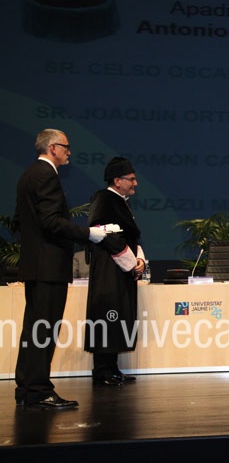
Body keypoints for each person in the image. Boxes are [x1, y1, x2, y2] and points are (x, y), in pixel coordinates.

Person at [13, 128, 109, 409]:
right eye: (66, 147)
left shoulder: (28, 174)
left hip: (37, 264)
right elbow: (51, 221)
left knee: (34, 329)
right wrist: (90, 234)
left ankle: (26, 388)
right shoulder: (46, 175)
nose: (69, 152)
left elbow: (21, 220)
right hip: (49, 266)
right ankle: (38, 391)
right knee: (43, 330)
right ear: (53, 147)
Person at [84, 157, 147, 387]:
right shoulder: (104, 199)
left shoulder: (120, 201)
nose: (135, 183)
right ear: (117, 180)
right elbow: (106, 235)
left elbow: (130, 236)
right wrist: (131, 263)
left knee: (117, 316)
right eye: (131, 179)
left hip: (120, 270)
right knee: (108, 315)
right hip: (109, 270)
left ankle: (112, 368)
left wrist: (139, 260)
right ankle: (102, 370)